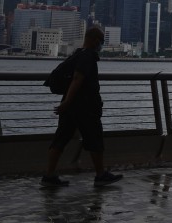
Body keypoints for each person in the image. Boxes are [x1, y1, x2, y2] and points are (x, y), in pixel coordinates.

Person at [41, 26, 123, 187]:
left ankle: (49, 175)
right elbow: (78, 78)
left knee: (60, 139)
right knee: (95, 140)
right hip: (85, 106)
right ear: (93, 40)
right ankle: (100, 175)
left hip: (71, 106)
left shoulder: (78, 54)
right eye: (100, 41)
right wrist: (67, 102)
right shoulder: (88, 56)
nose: (101, 45)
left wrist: (66, 102)